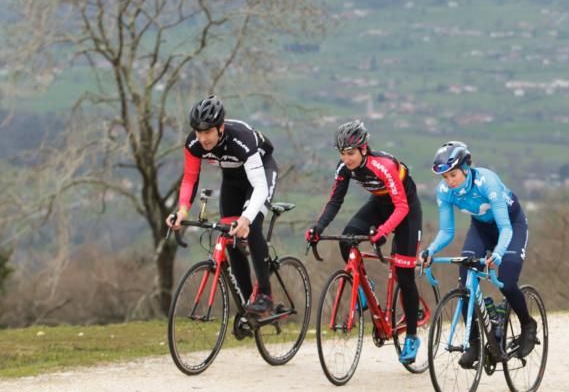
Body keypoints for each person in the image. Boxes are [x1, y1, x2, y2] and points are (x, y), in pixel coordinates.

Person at [305, 120, 423, 365]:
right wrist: (318, 227)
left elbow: (401, 207)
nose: (346, 159)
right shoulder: (344, 168)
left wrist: (383, 232)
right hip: (380, 205)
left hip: (406, 211)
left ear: (363, 149)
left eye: (350, 153)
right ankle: (362, 284)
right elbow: (334, 202)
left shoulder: (384, 166)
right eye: (342, 154)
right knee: (347, 239)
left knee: (404, 273)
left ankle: (412, 336)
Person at [420, 141, 537, 368]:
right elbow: (447, 231)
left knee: (506, 280)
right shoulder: (445, 191)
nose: (449, 182)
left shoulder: (487, 182)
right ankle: (473, 342)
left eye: (453, 175)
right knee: (465, 280)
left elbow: (505, 228)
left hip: (510, 225)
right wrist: (431, 250)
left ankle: (527, 324)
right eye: (445, 177)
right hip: (481, 229)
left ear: (466, 169)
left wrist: (500, 252)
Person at [167, 95, 279, 316]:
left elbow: (259, 187)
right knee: (230, 236)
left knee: (252, 225)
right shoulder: (193, 143)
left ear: (220, 128)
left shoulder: (241, 139)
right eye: (199, 132)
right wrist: (182, 211)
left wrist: (246, 218)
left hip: (261, 174)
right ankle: (249, 307)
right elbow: (190, 179)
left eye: (208, 132)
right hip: (232, 180)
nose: (203, 138)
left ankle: (265, 295)